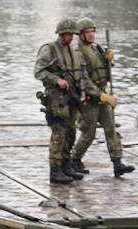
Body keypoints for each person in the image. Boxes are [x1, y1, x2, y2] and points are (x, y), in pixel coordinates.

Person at [70, 17, 134, 177]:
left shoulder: (97, 48)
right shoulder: (78, 53)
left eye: (92, 32)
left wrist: (109, 61)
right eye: (87, 32)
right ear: (81, 35)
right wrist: (101, 95)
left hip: (103, 96)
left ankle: (117, 163)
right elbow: (83, 79)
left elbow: (105, 72)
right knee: (89, 133)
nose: (91, 35)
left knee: (111, 129)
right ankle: (75, 160)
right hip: (90, 100)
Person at [34, 18, 95, 184]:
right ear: (63, 34)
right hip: (56, 98)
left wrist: (82, 92)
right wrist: (56, 80)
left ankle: (66, 165)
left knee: (71, 132)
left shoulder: (73, 51)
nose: (73, 38)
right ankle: (55, 170)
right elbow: (39, 72)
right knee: (58, 133)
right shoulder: (49, 50)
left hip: (72, 97)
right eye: (70, 35)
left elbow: (80, 74)